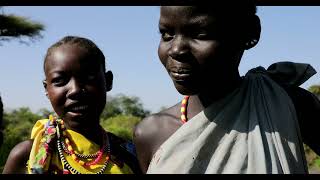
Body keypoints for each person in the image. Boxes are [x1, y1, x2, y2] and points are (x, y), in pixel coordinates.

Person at [133, 3, 320, 174]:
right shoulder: (150, 134)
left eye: (200, 34)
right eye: (167, 34)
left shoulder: (289, 106)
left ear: (250, 32)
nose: (175, 49)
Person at [2, 36, 141, 174]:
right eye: (60, 80)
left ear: (108, 81)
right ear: (47, 89)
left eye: (88, 77)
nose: (75, 90)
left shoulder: (130, 154)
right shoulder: (26, 155)